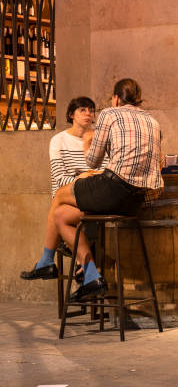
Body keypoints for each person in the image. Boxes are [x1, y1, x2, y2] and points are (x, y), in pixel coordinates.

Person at [52, 78, 164, 302]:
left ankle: (49, 258)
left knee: (59, 196)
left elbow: (93, 162)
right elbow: (161, 162)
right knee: (61, 215)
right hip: (136, 202)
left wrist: (87, 144)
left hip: (112, 191)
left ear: (115, 98)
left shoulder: (110, 114)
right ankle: (90, 273)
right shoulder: (153, 122)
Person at [20, 97, 102, 281]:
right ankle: (88, 273)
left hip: (91, 196)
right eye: (83, 110)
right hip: (70, 196)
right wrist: (81, 178)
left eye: (91, 110)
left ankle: (49, 262)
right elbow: (60, 178)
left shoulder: (97, 138)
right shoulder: (59, 140)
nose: (88, 114)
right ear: (71, 114)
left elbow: (102, 173)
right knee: (61, 207)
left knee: (60, 214)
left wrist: (87, 174)